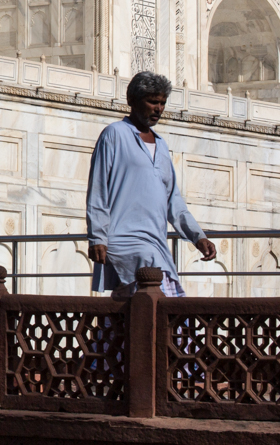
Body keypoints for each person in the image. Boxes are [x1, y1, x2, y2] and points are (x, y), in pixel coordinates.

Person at [87, 71, 217, 297]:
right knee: (155, 299)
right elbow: (98, 190)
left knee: (139, 305)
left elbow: (173, 201)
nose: (158, 108)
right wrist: (97, 237)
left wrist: (198, 236)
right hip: (124, 240)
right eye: (152, 102)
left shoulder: (162, 145)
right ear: (132, 101)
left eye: (162, 103)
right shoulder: (115, 134)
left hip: (156, 242)